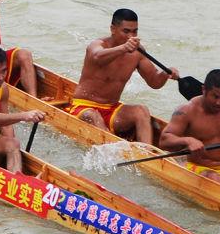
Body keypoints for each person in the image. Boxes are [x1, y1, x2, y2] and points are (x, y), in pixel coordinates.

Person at [63, 8, 173, 145]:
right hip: (84, 107)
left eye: (135, 31)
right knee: (92, 115)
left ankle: (147, 154)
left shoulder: (137, 52)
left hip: (112, 110)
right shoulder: (97, 45)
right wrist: (124, 48)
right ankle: (115, 149)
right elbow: (97, 57)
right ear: (113, 29)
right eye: (126, 31)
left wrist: (166, 74)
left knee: (141, 110)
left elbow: (154, 82)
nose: (131, 36)